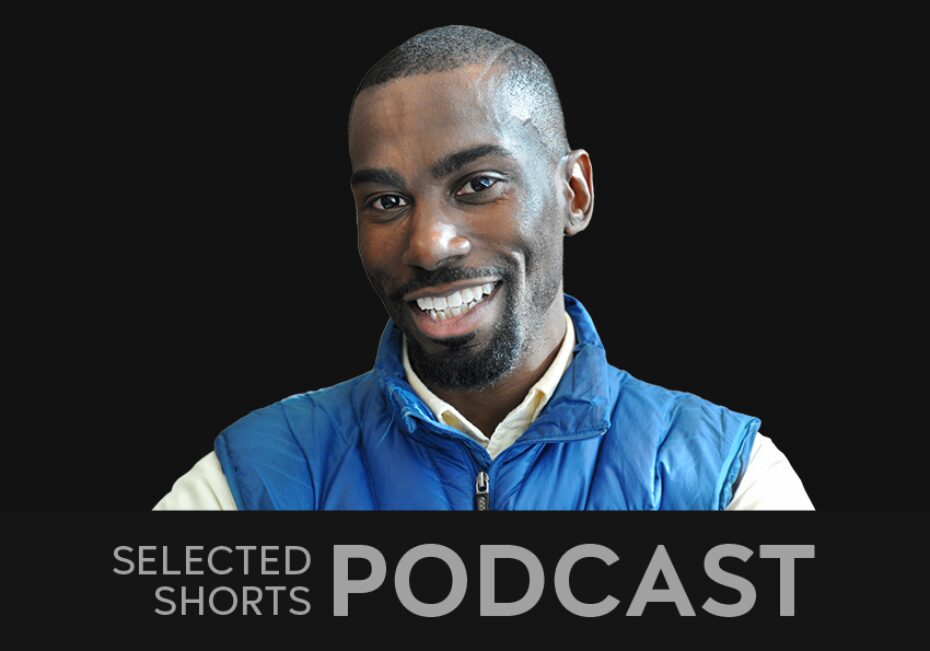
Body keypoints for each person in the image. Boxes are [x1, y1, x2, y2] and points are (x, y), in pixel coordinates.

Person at [154, 25, 813, 511]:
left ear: (573, 194)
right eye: (386, 201)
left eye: (478, 184)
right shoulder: (253, 482)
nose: (430, 244)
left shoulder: (730, 481)